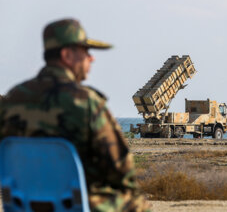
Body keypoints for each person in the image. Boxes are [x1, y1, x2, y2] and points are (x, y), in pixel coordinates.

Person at [0, 18, 150, 212]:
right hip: (76, 205)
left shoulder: (12, 99)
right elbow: (122, 170)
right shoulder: (87, 102)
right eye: (85, 51)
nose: (91, 58)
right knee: (137, 202)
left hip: (23, 205)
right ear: (67, 55)